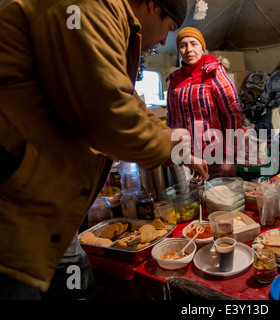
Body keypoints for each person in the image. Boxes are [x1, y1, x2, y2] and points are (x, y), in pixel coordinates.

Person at [0, 0, 208, 300]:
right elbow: (106, 111)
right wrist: (172, 148)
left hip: (27, 205)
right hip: (11, 208)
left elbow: (123, 95)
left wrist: (167, 138)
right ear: (152, 6)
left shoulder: (107, 18)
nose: (165, 41)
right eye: (170, 29)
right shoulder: (87, 7)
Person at [166, 27, 243, 179]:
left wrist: (229, 156)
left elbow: (233, 115)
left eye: (194, 44)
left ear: (202, 48)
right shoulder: (175, 80)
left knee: (220, 200)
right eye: (183, 45)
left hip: (215, 157)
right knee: (192, 200)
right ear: (179, 51)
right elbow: (171, 119)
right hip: (187, 159)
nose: (189, 49)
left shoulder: (214, 72)